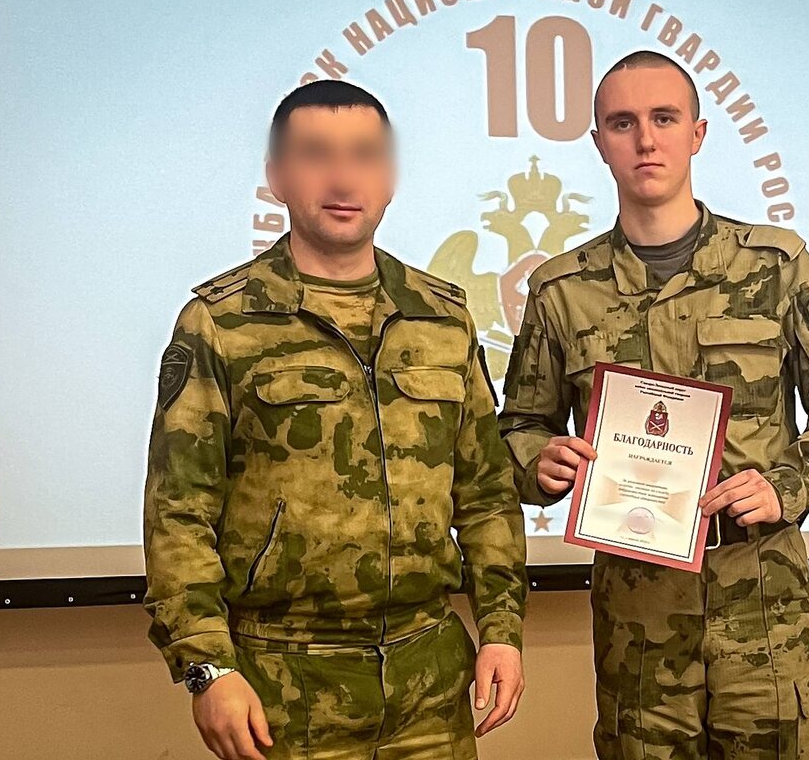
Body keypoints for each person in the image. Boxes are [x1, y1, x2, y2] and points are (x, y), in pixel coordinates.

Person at [499, 51, 809, 760]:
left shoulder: (775, 265)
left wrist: (788, 484)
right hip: (637, 621)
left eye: (665, 118)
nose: (646, 139)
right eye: (623, 123)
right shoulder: (562, 290)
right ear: (599, 143)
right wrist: (538, 462)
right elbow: (520, 425)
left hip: (761, 604)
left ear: (697, 134)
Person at [144, 80, 528, 760]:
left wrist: (501, 629)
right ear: (277, 176)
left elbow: (486, 491)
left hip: (431, 681)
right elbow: (179, 513)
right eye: (317, 154)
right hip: (281, 684)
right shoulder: (221, 322)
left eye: (364, 156)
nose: (344, 178)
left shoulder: (441, 316)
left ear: (389, 178)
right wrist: (208, 668)